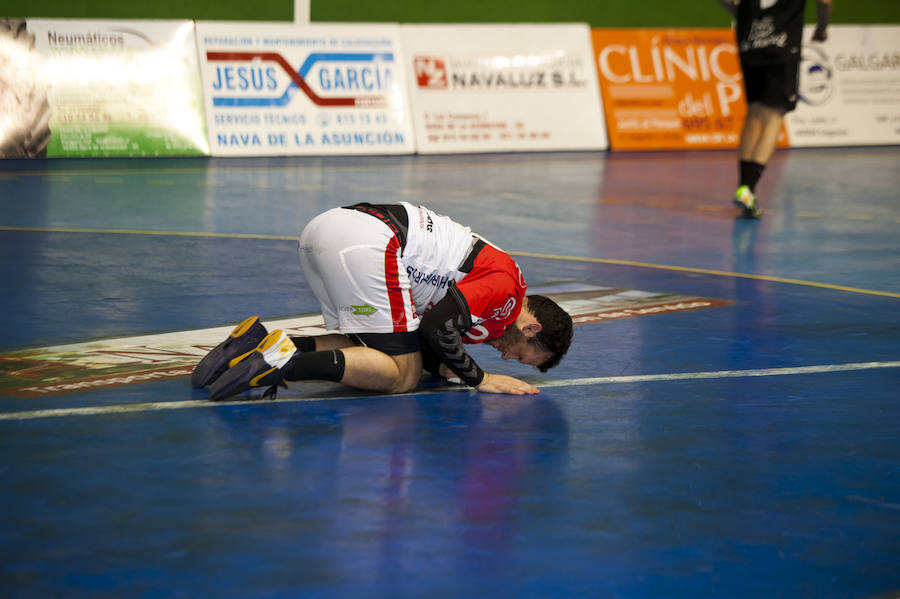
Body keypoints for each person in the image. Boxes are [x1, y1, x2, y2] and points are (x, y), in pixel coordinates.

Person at [192, 202, 573, 401]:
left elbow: (424, 343)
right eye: (521, 354)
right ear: (531, 327)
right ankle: (280, 363)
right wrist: (480, 378)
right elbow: (436, 327)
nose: (508, 359)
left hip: (326, 232)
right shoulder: (507, 290)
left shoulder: (495, 311)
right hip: (370, 242)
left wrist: (445, 367)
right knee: (402, 377)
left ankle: (257, 344)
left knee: (374, 348)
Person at [719, 0, 831, 218]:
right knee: (774, 117)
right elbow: (824, 2)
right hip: (781, 49)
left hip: (750, 44)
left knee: (754, 113)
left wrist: (743, 13)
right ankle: (749, 188)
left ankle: (744, 185)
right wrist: (822, 26)